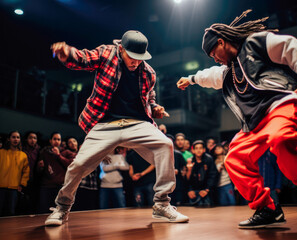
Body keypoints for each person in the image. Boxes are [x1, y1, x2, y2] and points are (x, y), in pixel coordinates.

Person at [177, 9, 297, 228]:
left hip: (279, 105)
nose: (215, 60)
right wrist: (190, 79)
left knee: (280, 138)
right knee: (233, 159)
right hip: (254, 124)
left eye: (213, 54)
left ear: (221, 42)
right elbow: (208, 76)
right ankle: (268, 209)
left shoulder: (255, 43)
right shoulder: (227, 72)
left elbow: (290, 48)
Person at [46, 30, 188, 225]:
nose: (135, 62)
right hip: (105, 125)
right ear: (121, 48)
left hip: (136, 123)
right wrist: (67, 53)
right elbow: (84, 58)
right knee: (78, 165)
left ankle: (162, 204)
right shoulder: (107, 53)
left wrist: (155, 108)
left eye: (140, 59)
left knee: (165, 144)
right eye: (132, 57)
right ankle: (62, 208)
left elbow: (149, 97)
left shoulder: (148, 72)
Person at [37, 132, 73, 213]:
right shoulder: (44, 152)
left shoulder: (65, 152)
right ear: (50, 141)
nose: (56, 141)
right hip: (46, 185)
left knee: (59, 211)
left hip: (60, 186)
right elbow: (39, 171)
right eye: (54, 139)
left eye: (58, 139)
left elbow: (70, 165)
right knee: (44, 210)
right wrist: (40, 167)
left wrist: (58, 155)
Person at [0, 131, 30, 216]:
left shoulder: (23, 155)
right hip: (1, 187)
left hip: (14, 188)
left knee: (10, 212)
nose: (15, 139)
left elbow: (26, 172)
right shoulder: (1, 152)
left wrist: (22, 184)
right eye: (13, 137)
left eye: (18, 137)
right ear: (9, 139)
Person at [186, 140, 218, 207]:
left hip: (206, 190)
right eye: (196, 148)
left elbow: (213, 175)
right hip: (194, 190)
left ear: (204, 150)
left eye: (200, 148)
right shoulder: (190, 161)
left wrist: (207, 189)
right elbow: (187, 179)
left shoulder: (209, 159)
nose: (198, 150)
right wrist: (190, 190)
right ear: (193, 150)